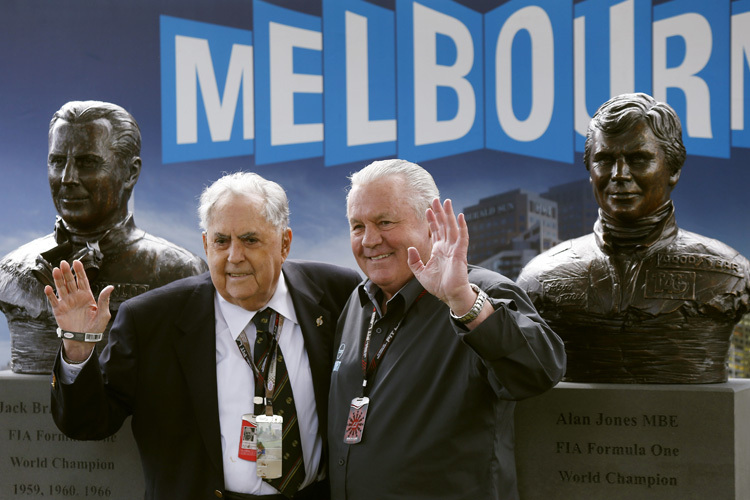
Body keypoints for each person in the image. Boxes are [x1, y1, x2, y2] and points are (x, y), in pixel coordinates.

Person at [46, 172, 362, 499]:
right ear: (205, 244)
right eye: (221, 241)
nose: (234, 256)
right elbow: (90, 423)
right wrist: (78, 349)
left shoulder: (335, 292)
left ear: (284, 243)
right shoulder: (151, 319)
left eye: (250, 240)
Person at [327, 159, 566, 500]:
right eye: (357, 226)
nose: (369, 240)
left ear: (429, 223)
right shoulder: (358, 301)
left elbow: (541, 371)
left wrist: (463, 302)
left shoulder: (479, 291)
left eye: (384, 222)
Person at [517, 93, 750, 383]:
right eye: (604, 160)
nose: (619, 175)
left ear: (674, 169)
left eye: (639, 159)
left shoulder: (731, 273)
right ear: (590, 171)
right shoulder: (539, 277)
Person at [0, 100, 207, 374]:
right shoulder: (12, 269)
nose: (67, 178)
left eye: (87, 163)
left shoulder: (180, 271)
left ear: (130, 172)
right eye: (58, 161)